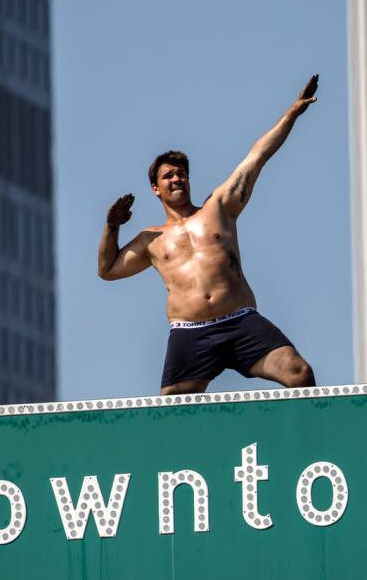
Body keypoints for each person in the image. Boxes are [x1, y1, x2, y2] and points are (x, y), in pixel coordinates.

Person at [97, 75, 320, 395]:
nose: (177, 179)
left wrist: (292, 113)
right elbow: (107, 270)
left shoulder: (219, 209)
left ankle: (304, 443)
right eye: (168, 175)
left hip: (240, 321)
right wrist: (111, 226)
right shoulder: (150, 239)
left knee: (299, 372)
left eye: (181, 174)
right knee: (171, 408)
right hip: (190, 333)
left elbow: (256, 157)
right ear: (155, 188)